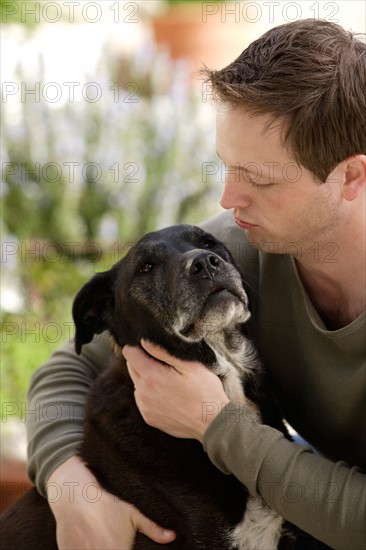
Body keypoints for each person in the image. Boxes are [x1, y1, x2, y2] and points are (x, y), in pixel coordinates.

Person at [26, 19, 365, 550]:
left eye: (261, 178)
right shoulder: (238, 249)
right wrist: (72, 490)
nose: (230, 199)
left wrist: (217, 423)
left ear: (350, 176)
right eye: (227, 168)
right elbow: (66, 366)